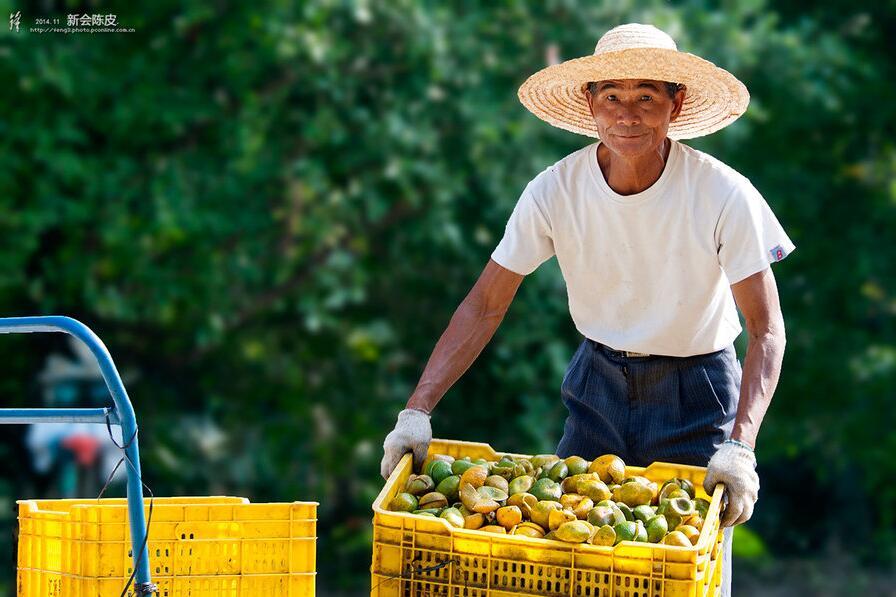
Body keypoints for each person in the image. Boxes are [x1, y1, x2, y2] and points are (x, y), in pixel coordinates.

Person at [380, 23, 795, 596]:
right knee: (572, 568)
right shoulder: (555, 190)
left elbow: (766, 328)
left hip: (698, 392)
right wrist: (416, 411)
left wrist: (741, 448)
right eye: (612, 98)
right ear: (590, 105)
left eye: (646, 98)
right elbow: (484, 305)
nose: (628, 115)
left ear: (675, 105)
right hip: (596, 384)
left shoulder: (723, 194)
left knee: (686, 575)